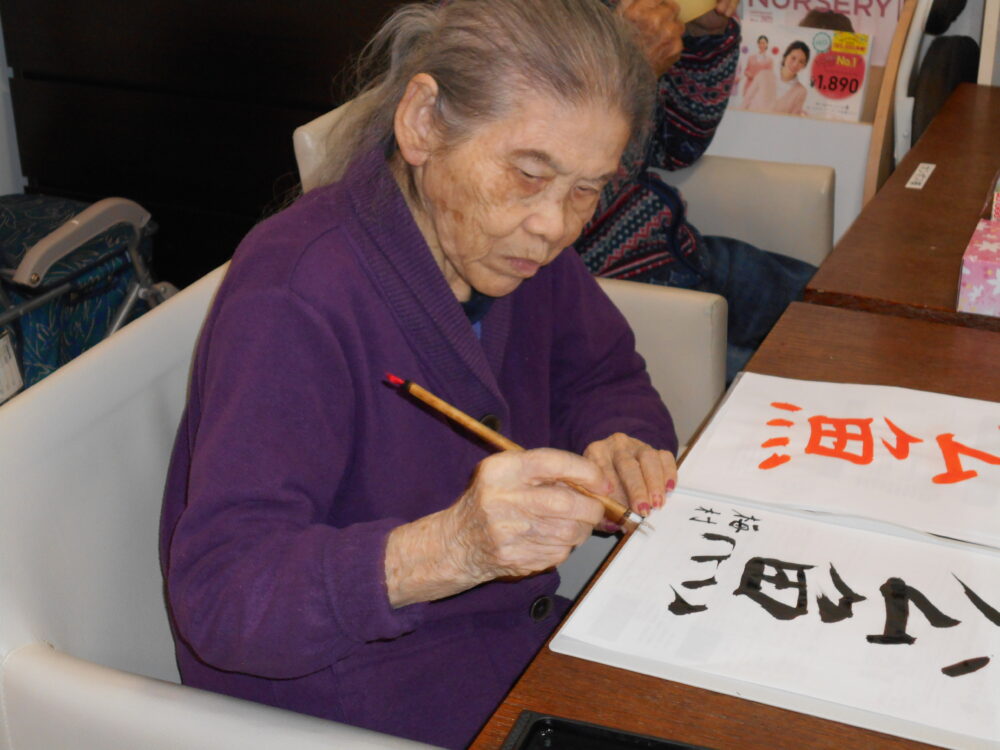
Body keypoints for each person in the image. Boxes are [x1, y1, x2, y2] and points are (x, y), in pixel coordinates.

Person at [159, 1, 677, 748]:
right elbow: (222, 595)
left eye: (586, 190)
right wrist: (450, 549)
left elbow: (603, 375)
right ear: (424, 123)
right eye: (528, 174)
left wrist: (621, 441)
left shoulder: (515, 252)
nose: (555, 226)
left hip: (513, 657)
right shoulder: (296, 294)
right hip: (352, 705)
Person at [577, 0, 817, 382]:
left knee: (857, 314)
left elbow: (677, 145)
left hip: (677, 251)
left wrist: (704, 38)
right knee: (825, 371)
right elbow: (557, 207)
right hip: (614, 303)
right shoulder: (492, 28)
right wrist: (626, 67)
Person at [742, 40, 811, 116]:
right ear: (785, 56)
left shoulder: (801, 92)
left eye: (801, 62)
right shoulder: (763, 75)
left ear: (804, 66)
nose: (795, 64)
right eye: (793, 58)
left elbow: (792, 120)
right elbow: (745, 103)